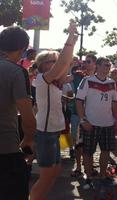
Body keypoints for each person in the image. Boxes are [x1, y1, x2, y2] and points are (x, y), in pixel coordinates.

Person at [29, 22, 78, 200]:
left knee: (55, 171)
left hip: (53, 131)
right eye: (52, 61)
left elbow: (65, 64)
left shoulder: (55, 79)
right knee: (47, 175)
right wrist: (70, 39)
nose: (56, 63)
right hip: (45, 132)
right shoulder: (42, 78)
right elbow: (64, 62)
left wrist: (73, 39)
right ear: (42, 64)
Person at [0, 26, 36, 200]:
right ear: (23, 49)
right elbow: (28, 119)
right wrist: (28, 140)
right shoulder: (16, 72)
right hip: (6, 151)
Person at [76, 57, 117, 189]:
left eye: (109, 65)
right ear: (98, 66)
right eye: (106, 65)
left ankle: (102, 175)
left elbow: (115, 102)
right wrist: (83, 119)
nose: (108, 68)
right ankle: (88, 176)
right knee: (88, 152)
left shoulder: (112, 82)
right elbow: (78, 101)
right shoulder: (87, 80)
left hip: (108, 124)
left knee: (106, 150)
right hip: (91, 123)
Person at [70, 54, 97, 177]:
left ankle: (88, 167)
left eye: (89, 61)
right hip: (77, 113)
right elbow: (63, 78)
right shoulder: (77, 75)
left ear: (95, 64)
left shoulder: (100, 78)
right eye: (85, 61)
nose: (85, 63)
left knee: (91, 143)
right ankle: (78, 166)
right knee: (77, 142)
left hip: (94, 115)